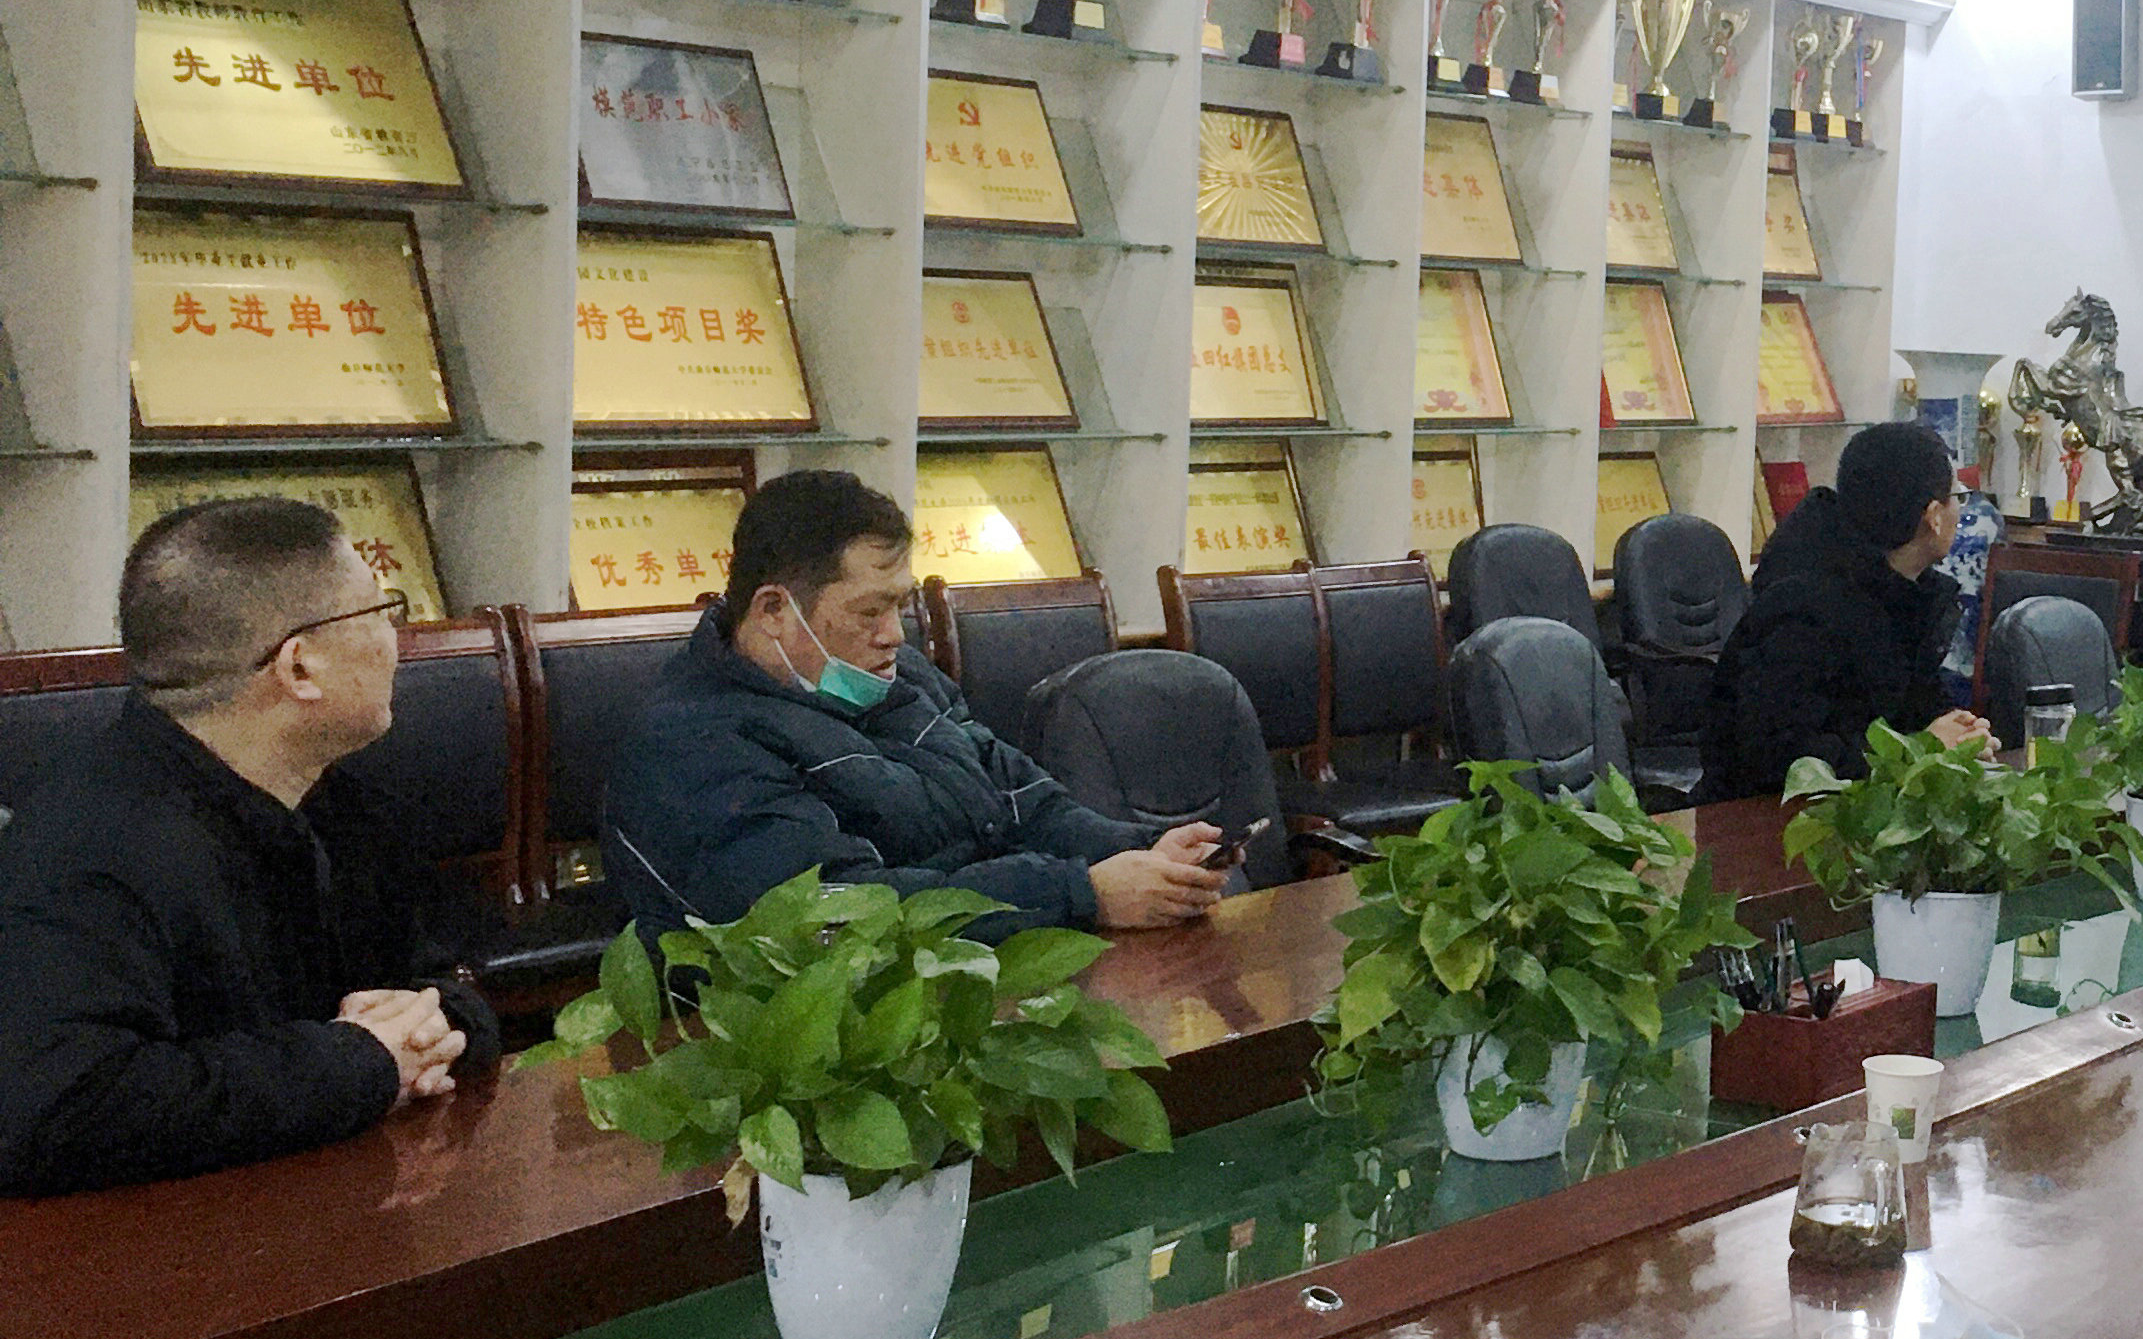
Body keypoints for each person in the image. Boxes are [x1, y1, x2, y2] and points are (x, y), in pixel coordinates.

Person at [0, 498, 495, 1196]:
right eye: (382, 612)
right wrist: (359, 1064)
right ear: (300, 668)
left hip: (326, 1195)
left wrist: (433, 1029)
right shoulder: (88, 844)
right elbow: (58, 1109)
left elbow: (448, 981)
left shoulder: (336, 798)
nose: (396, 640)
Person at [607, 469, 1225, 937]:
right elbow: (833, 916)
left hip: (983, 971)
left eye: (899, 606)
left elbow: (1018, 797)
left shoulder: (895, 678)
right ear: (773, 610)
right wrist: (1079, 893)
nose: (893, 636)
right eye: (868, 611)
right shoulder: (689, 743)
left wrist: (1139, 851)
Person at [1700, 419, 1993, 799]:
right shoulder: (1806, 606)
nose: (1959, 509)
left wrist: (1961, 734)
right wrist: (1920, 749)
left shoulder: (1907, 592)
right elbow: (1783, 757)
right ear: (1933, 516)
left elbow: (1915, 704)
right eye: (1958, 496)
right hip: (1764, 818)